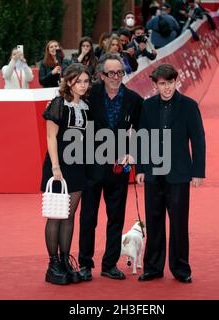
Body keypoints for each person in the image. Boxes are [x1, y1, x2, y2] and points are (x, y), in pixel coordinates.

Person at [136, 64, 206, 283]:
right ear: (156, 85)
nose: (167, 88)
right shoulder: (147, 106)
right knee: (154, 221)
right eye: (162, 84)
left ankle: (181, 269)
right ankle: (153, 267)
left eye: (170, 83)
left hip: (179, 173)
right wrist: (140, 168)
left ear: (177, 81)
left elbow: (198, 139)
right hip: (153, 173)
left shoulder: (189, 106)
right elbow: (141, 139)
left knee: (179, 223)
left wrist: (198, 171)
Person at [78, 53, 143, 281]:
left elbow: (141, 132)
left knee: (115, 218)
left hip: (118, 169)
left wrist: (132, 153)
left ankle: (109, 264)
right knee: (88, 217)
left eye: (120, 72)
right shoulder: (89, 95)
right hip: (91, 166)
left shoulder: (134, 100)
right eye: (112, 73)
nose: (116, 77)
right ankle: (85, 264)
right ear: (102, 75)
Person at [41, 63, 91, 285]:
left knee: (70, 216)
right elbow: (51, 137)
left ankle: (64, 261)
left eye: (86, 81)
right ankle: (52, 266)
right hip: (59, 164)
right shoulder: (58, 104)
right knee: (56, 215)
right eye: (79, 81)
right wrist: (55, 166)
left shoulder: (86, 106)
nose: (83, 85)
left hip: (78, 165)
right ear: (69, 81)